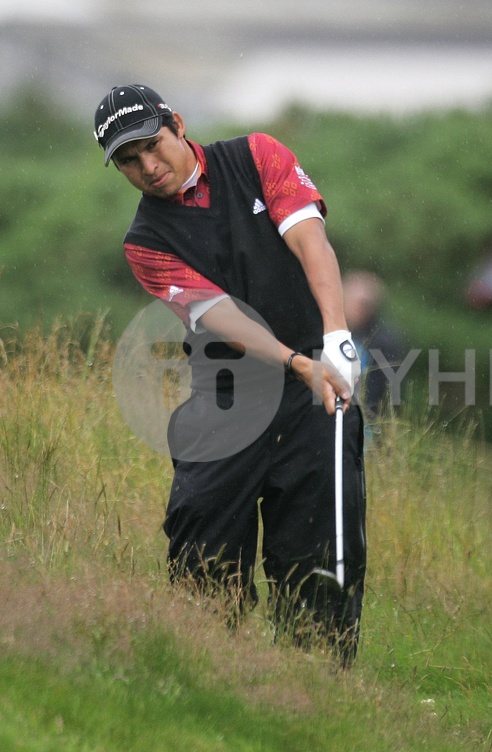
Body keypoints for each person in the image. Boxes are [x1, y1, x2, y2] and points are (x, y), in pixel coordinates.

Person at [94, 84, 367, 663]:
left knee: (317, 543)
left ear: (178, 124)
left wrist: (337, 335)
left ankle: (317, 680)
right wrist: (297, 362)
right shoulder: (145, 243)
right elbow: (223, 317)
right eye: (128, 160)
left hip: (319, 385)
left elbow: (309, 240)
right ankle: (211, 671)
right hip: (227, 395)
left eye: (152, 145)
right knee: (201, 546)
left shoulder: (257, 156)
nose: (147, 166)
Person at [343, 270, 408, 418]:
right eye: (356, 302)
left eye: (366, 304)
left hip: (369, 419)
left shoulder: (384, 342)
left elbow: (386, 391)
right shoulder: (335, 335)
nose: (360, 310)